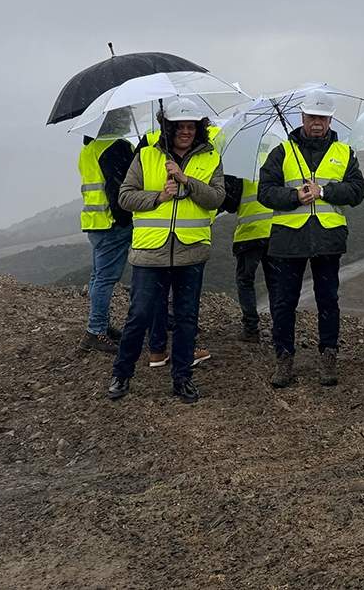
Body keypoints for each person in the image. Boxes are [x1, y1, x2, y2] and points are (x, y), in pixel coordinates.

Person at [107, 96, 226, 404]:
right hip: (150, 253)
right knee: (140, 314)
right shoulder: (146, 156)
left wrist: (188, 181)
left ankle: (182, 378)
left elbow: (216, 198)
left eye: (191, 127)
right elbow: (125, 198)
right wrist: (159, 197)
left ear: (199, 129)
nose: (185, 132)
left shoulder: (211, 157)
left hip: (191, 251)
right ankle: (121, 374)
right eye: (179, 127)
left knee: (187, 318)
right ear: (168, 128)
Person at [257, 90, 364, 388]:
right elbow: (265, 192)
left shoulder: (345, 153)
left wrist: (324, 192)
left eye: (322, 117)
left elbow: (357, 192)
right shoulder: (282, 151)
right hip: (288, 240)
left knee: (328, 301)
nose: (316, 123)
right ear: (302, 118)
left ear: (330, 120)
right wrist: (295, 196)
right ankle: (284, 359)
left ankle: (328, 357)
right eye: (311, 117)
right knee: (283, 303)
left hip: (328, 239)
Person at [76, 113, 136, 353]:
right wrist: (126, 220)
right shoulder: (117, 147)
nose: (128, 118)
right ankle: (96, 330)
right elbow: (118, 190)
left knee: (97, 276)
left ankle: (101, 325)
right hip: (113, 223)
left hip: (94, 221)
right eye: (124, 114)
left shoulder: (89, 148)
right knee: (105, 279)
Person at [231, 142, 279, 344]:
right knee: (276, 283)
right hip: (274, 231)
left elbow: (231, 203)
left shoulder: (239, 165)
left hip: (249, 235)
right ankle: (281, 328)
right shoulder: (273, 161)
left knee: (245, 281)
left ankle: (251, 329)